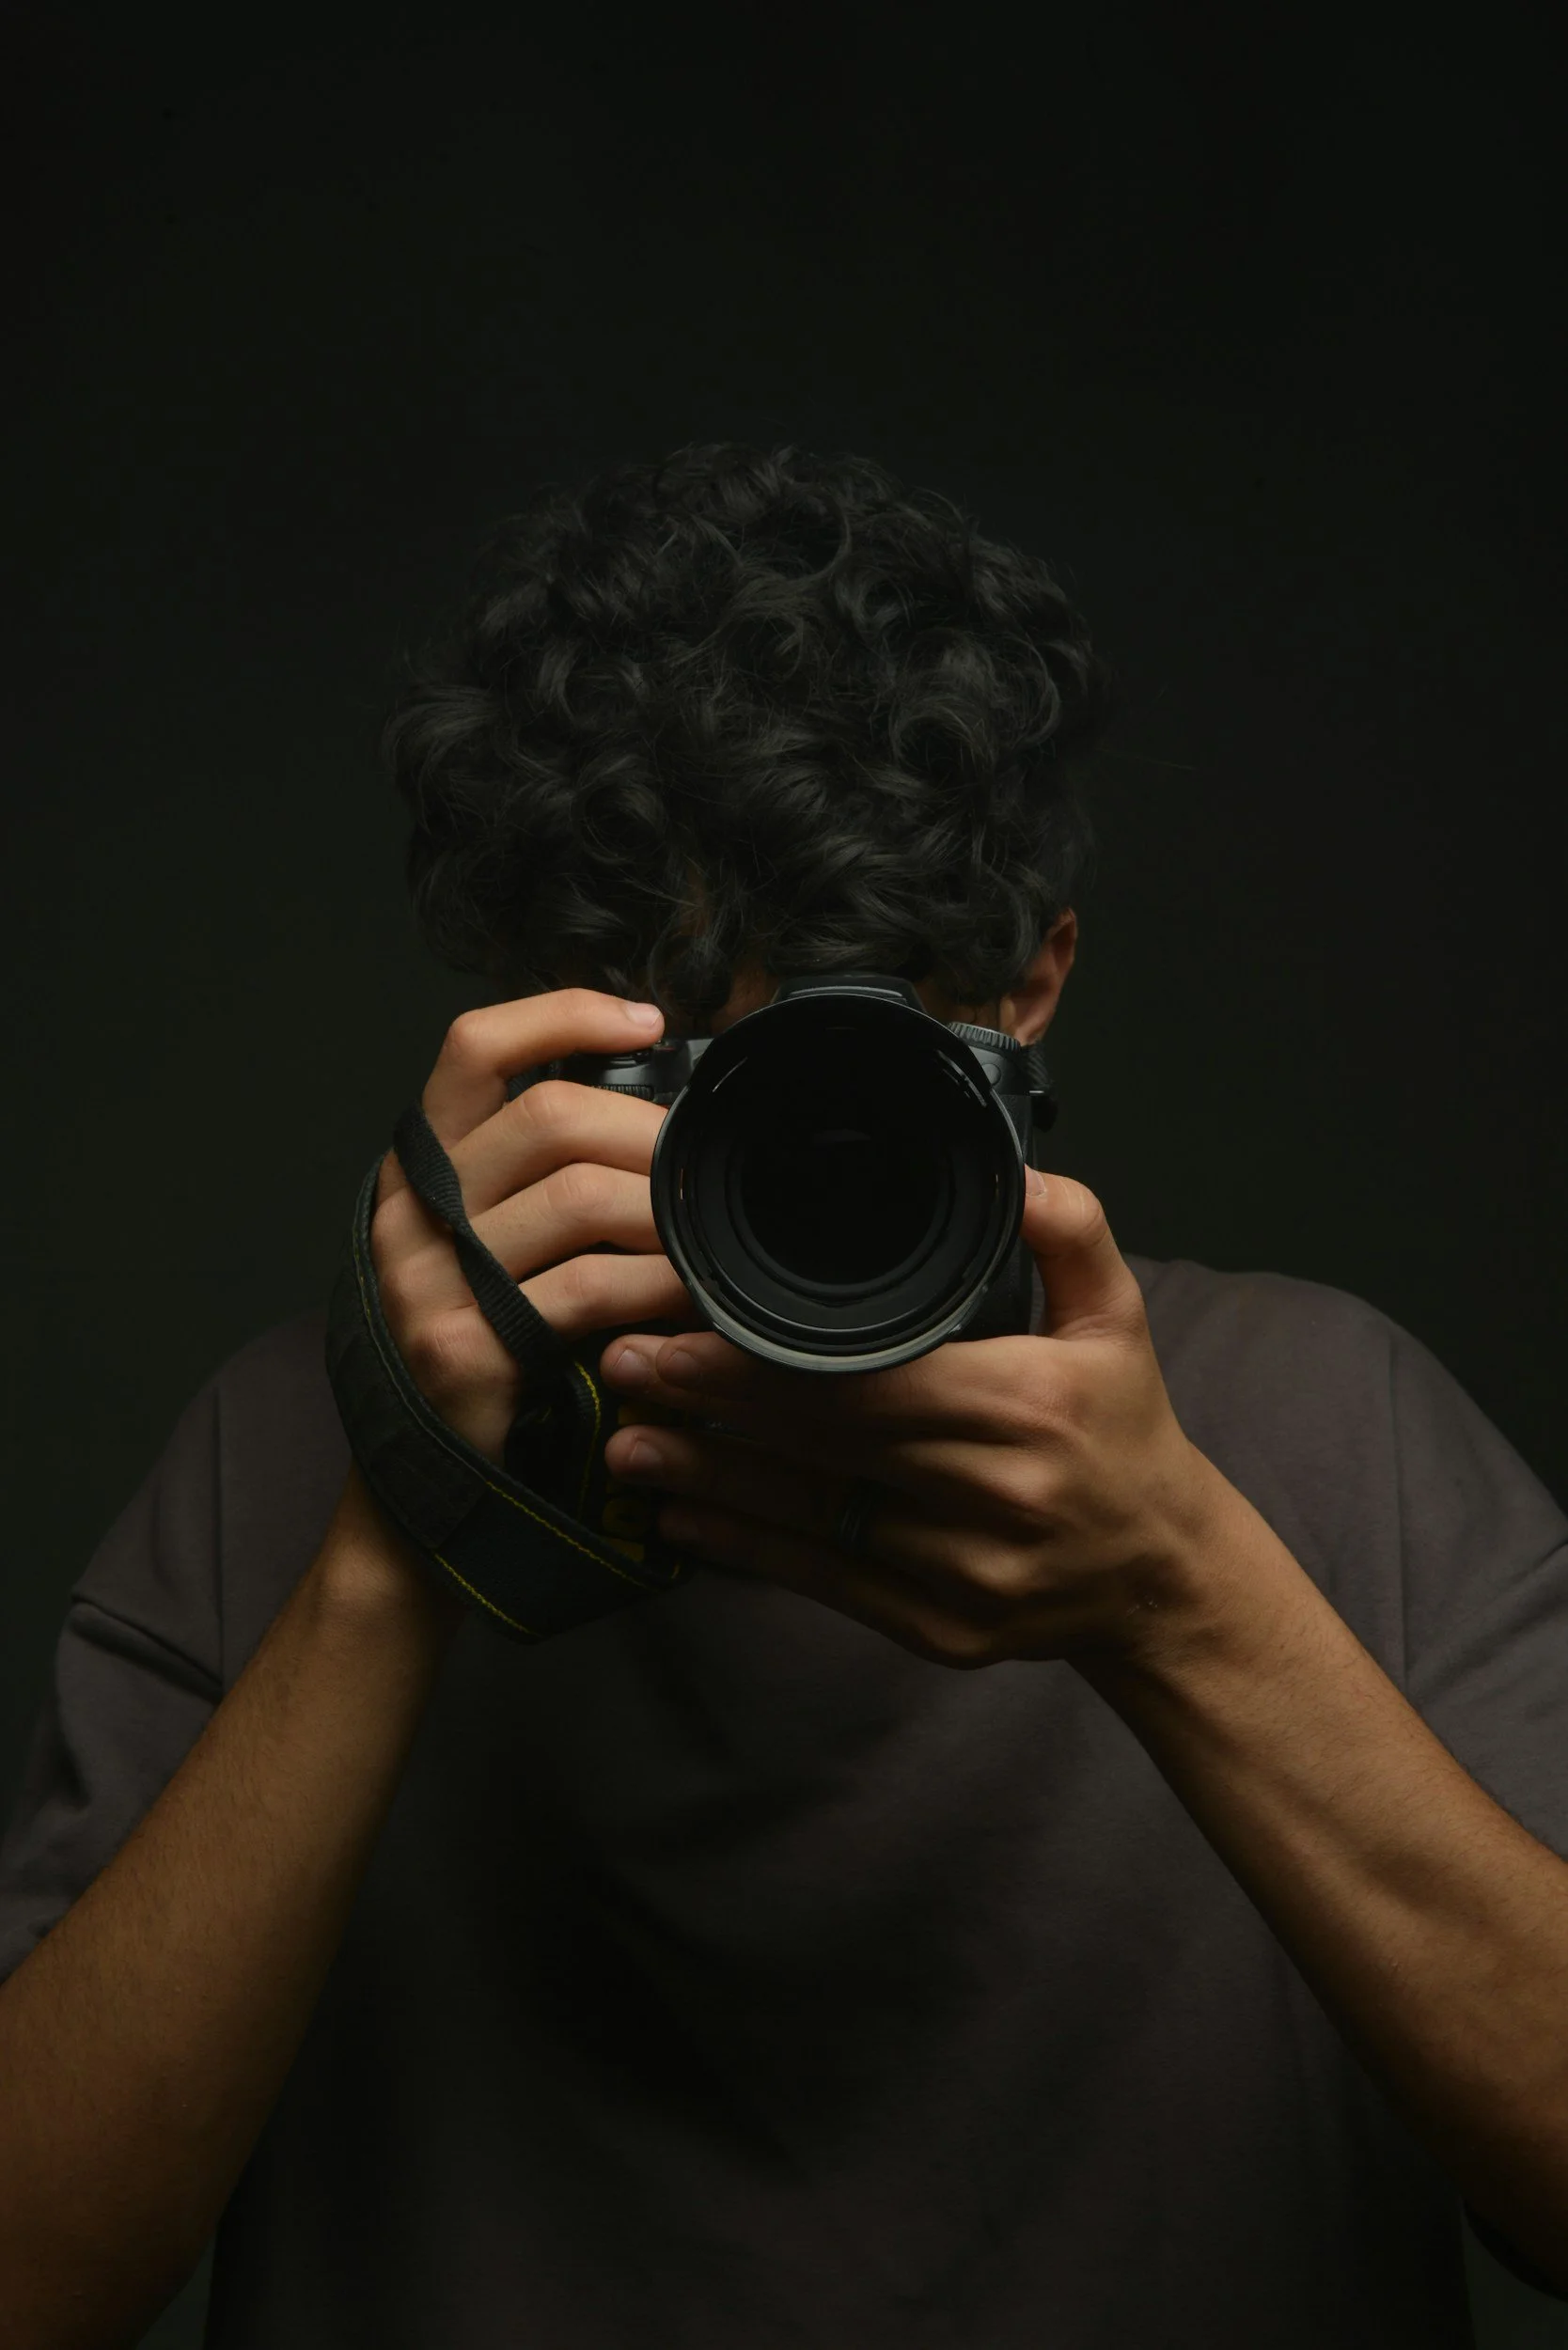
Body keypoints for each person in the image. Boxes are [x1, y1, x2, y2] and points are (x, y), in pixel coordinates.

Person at [1, 442, 1564, 2350]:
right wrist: (410, 1523)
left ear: (1037, 988)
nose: (792, 1144)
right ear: (528, 1020)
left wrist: (1179, 1589)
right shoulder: (303, 1455)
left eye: (863, 1040)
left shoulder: (1329, 1425)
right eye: (688, 1060)